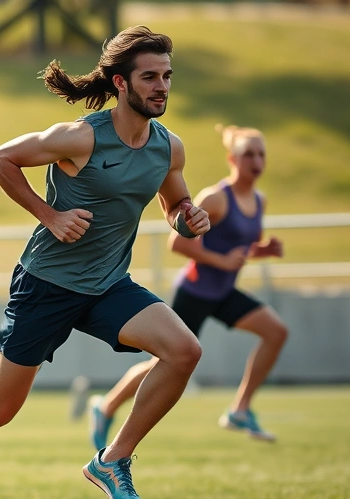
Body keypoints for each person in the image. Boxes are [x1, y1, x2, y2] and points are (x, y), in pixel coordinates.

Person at [0, 25, 211, 499]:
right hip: (46, 285)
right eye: (150, 77)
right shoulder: (81, 137)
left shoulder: (168, 147)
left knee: (184, 350)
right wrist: (50, 215)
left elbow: (175, 204)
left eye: (167, 76)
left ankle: (112, 460)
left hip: (108, 285)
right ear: (120, 83)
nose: (162, 87)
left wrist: (187, 219)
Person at [89, 125, 287, 448]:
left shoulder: (259, 201)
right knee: (162, 363)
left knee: (276, 332)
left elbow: (235, 246)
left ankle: (239, 409)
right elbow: (179, 243)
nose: (256, 161)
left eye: (261, 154)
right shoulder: (216, 198)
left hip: (223, 292)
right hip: (195, 291)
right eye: (248, 154)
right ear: (232, 159)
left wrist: (260, 251)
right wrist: (222, 261)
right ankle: (106, 406)